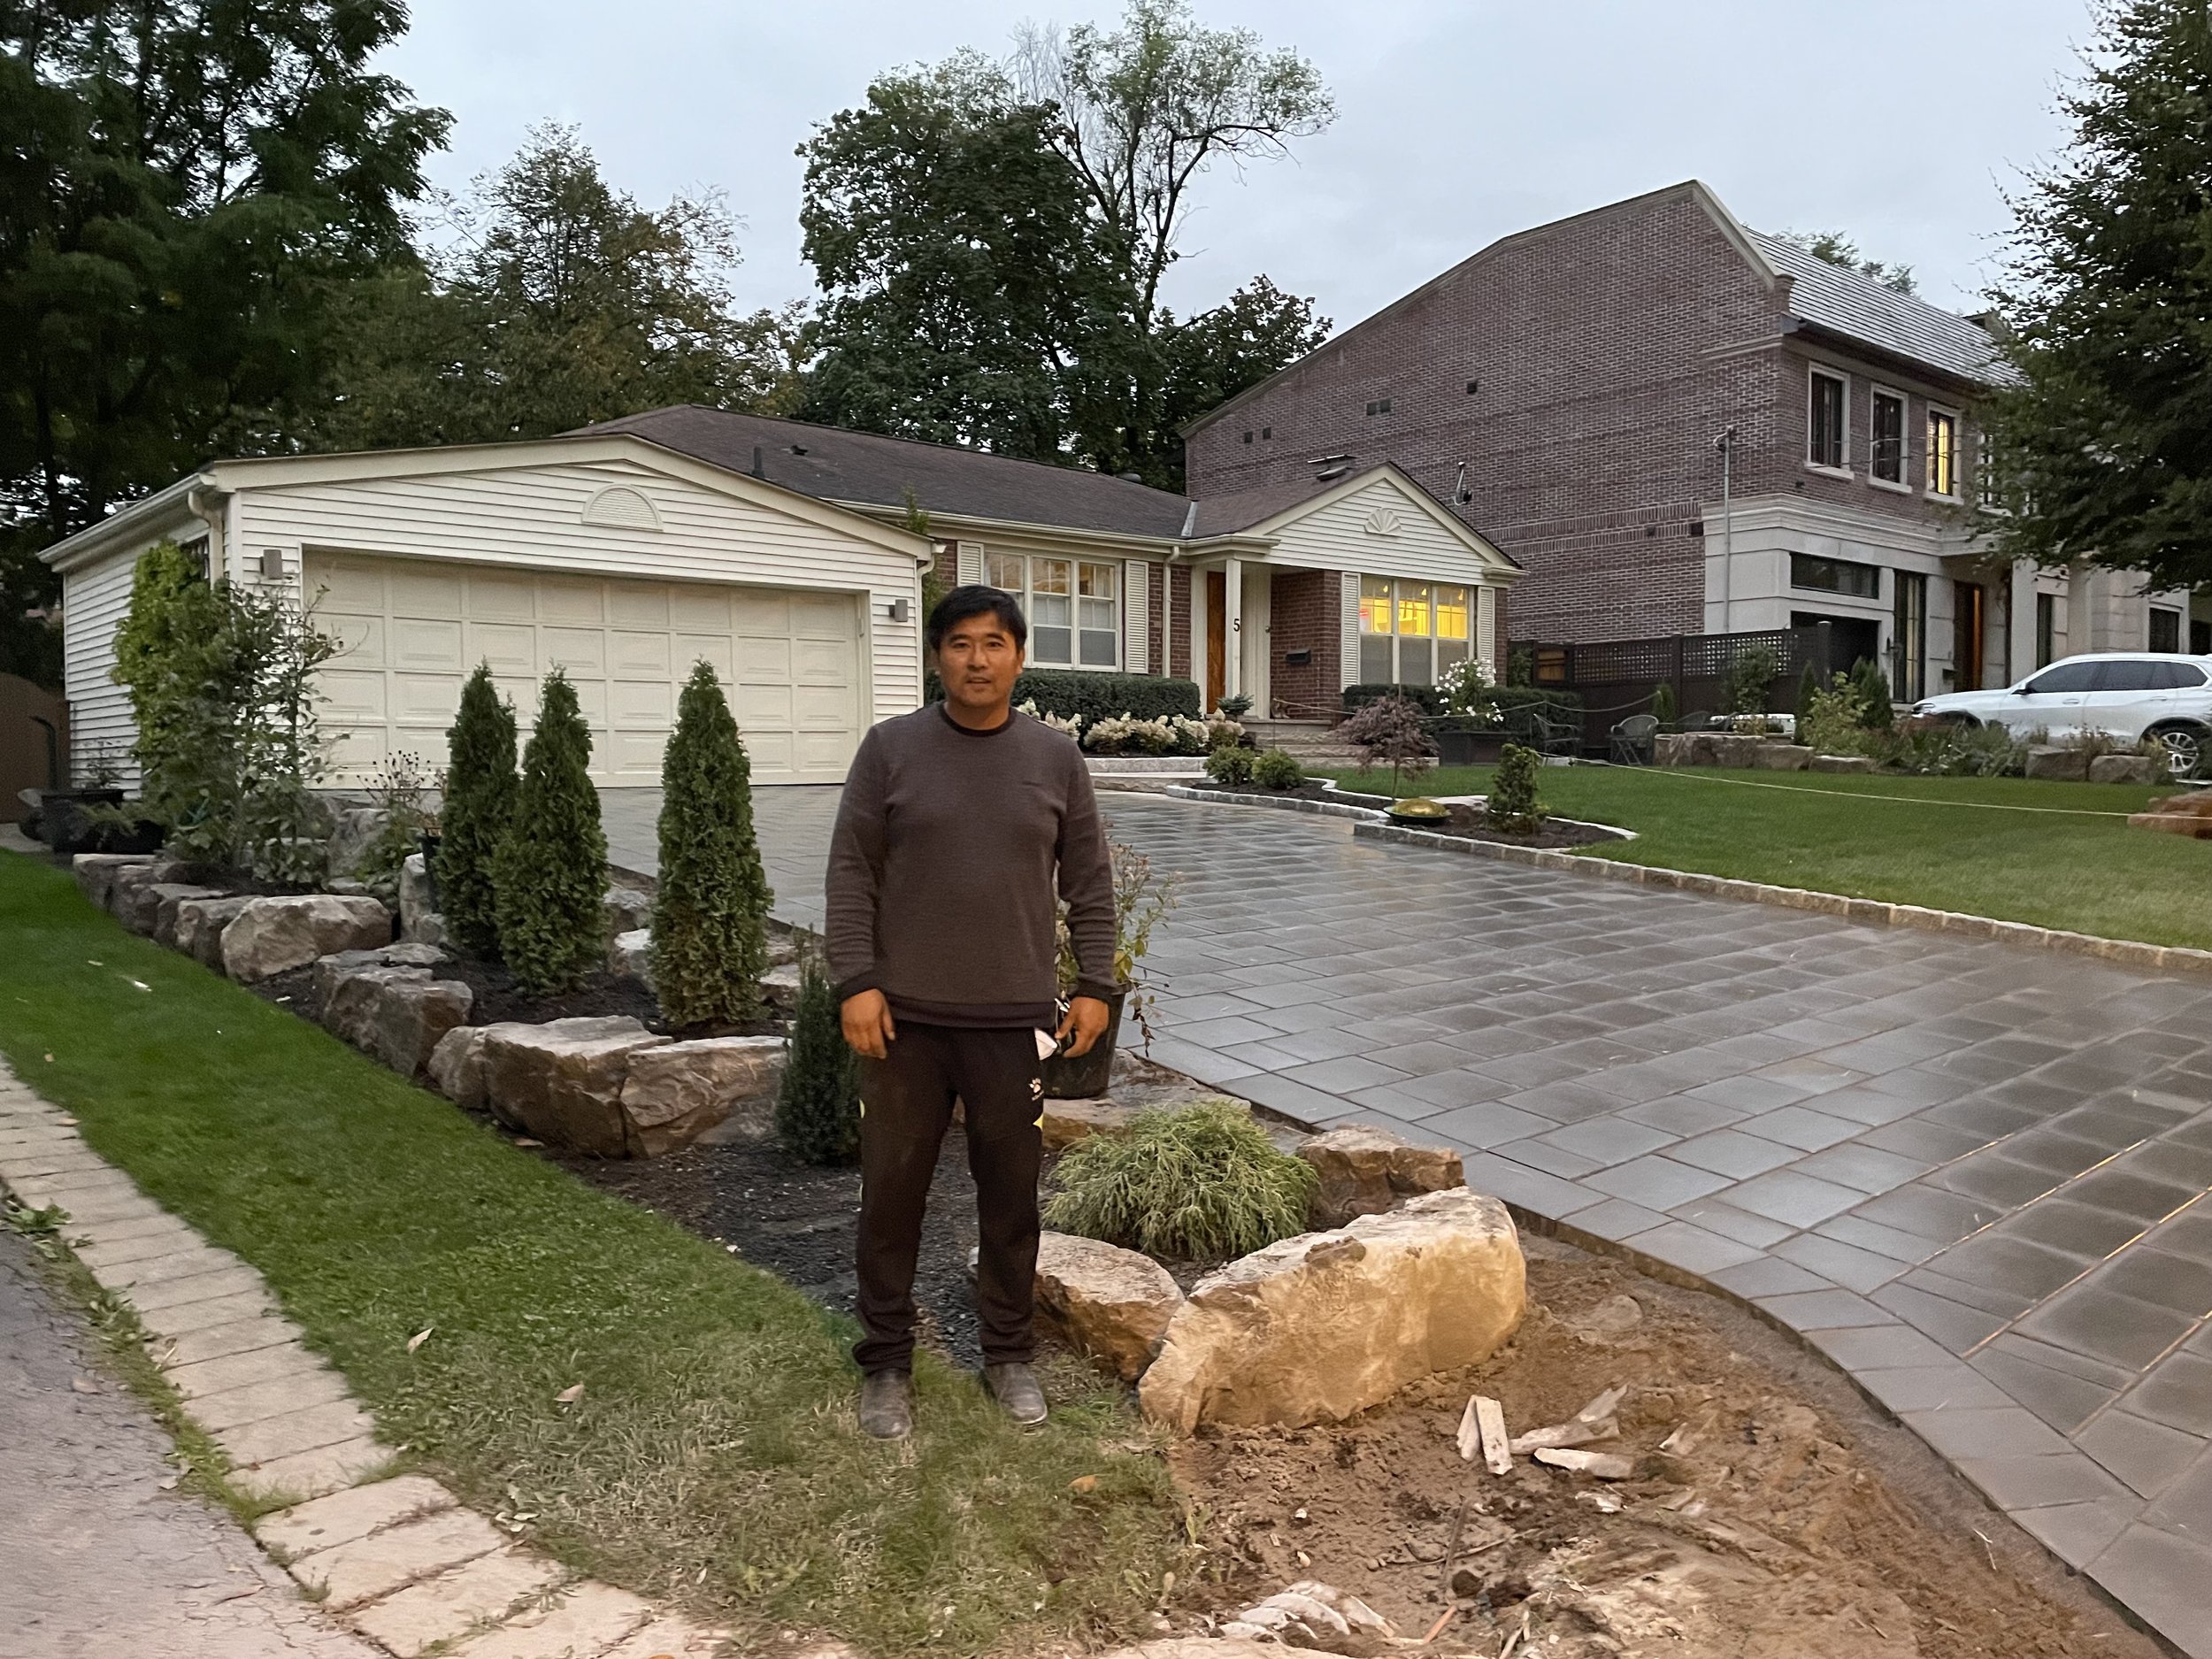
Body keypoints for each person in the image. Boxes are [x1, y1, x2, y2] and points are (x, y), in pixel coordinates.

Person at [824, 584, 1117, 1440]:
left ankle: (1008, 1352)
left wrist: (1094, 984)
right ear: (936, 656)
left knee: (1011, 1198)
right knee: (891, 1195)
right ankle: (885, 1362)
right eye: (960, 643)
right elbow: (852, 874)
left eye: (994, 643)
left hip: (1007, 1022)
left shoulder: (1055, 758)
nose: (977, 659)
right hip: (901, 1022)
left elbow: (1089, 882)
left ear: (1020, 657)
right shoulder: (891, 750)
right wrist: (856, 982)